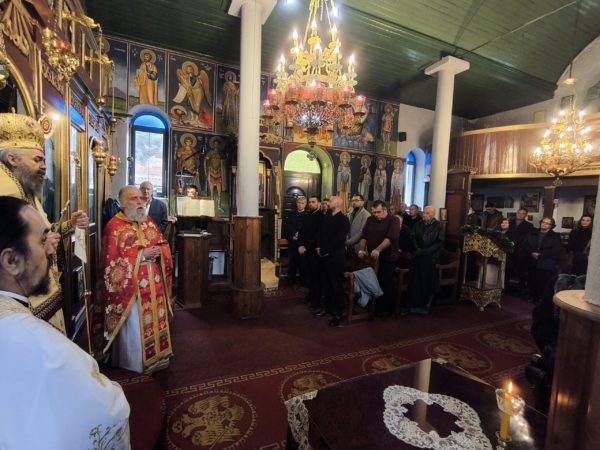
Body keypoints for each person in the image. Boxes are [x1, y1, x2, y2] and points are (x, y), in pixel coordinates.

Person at [0, 196, 130, 449]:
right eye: (42, 241)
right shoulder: (36, 340)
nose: (51, 250)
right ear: (11, 261)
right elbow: (106, 409)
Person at [0, 112, 88, 334]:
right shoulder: (6, 193)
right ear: (12, 159)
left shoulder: (26, 189)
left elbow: (43, 233)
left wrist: (68, 226)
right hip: (21, 301)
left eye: (43, 160)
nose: (43, 166)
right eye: (37, 160)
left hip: (43, 294)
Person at [98, 186, 174, 374]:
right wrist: (141, 255)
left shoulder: (148, 221)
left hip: (154, 279)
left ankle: (158, 356)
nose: (140, 202)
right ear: (122, 203)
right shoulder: (114, 226)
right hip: (131, 287)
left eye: (141, 198)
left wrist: (160, 250)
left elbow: (162, 242)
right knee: (134, 324)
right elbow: (111, 261)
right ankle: (134, 362)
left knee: (154, 318)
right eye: (134, 198)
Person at [358, 200, 400, 315]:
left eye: (378, 212)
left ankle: (385, 309)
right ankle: (374, 305)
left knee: (385, 282)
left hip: (388, 257)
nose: (375, 215)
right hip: (373, 258)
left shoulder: (394, 220)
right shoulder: (370, 219)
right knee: (373, 281)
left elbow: (391, 237)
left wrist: (378, 249)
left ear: (385, 210)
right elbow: (364, 236)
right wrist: (361, 249)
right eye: (374, 212)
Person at [315, 196, 350, 327]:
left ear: (338, 204)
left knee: (336, 286)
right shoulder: (327, 217)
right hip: (324, 257)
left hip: (335, 258)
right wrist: (319, 247)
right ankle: (328, 308)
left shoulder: (343, 220)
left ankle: (338, 313)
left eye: (331, 201)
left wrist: (324, 250)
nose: (328, 203)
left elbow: (339, 240)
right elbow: (320, 234)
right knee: (326, 285)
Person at [407, 206, 444, 315]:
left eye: (428, 213)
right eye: (424, 213)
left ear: (433, 214)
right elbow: (412, 237)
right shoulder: (418, 224)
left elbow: (439, 241)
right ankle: (414, 304)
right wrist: (418, 248)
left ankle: (424, 305)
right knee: (415, 280)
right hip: (418, 255)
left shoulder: (438, 225)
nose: (425, 215)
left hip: (430, 258)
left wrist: (427, 251)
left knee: (425, 281)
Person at [523, 217, 561, 303]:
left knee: (544, 282)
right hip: (532, 260)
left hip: (546, 262)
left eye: (547, 223)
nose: (544, 224)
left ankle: (541, 299)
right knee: (532, 280)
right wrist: (532, 253)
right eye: (543, 222)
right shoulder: (532, 233)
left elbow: (555, 249)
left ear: (551, 226)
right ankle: (532, 297)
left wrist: (540, 255)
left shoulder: (555, 236)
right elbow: (525, 244)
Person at [298, 195, 324, 309]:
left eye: (313, 202)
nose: (311, 204)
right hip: (304, 250)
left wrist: (306, 247)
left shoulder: (321, 217)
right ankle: (309, 296)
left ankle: (316, 300)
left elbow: (318, 235)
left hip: (313, 251)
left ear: (319, 203)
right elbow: (302, 231)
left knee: (316, 276)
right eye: (309, 202)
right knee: (308, 275)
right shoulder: (307, 215)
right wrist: (300, 244)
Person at [175, 61, 213, 126]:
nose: (189, 70)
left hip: (199, 91)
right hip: (192, 91)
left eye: (190, 69)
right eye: (188, 69)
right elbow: (182, 78)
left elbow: (204, 83)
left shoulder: (199, 77)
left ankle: (196, 119)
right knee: (191, 104)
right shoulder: (187, 78)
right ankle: (193, 118)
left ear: (193, 70)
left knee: (197, 105)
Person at [507, 208, 534, 292]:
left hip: (521, 250)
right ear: (516, 213)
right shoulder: (509, 222)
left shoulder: (529, 225)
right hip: (509, 249)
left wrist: (519, 245)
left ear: (526, 215)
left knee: (520, 270)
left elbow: (528, 239)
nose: (520, 215)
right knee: (508, 269)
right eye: (519, 213)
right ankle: (506, 287)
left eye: (523, 213)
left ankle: (520, 289)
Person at [285, 196, 307, 288]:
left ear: (305, 204)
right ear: (296, 204)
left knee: (303, 263)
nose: (300, 205)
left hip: (303, 242)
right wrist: (294, 233)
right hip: (293, 241)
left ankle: (303, 282)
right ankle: (291, 282)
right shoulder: (291, 214)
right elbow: (288, 226)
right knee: (292, 262)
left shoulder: (308, 215)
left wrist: (300, 234)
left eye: (302, 203)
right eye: (298, 203)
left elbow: (308, 228)